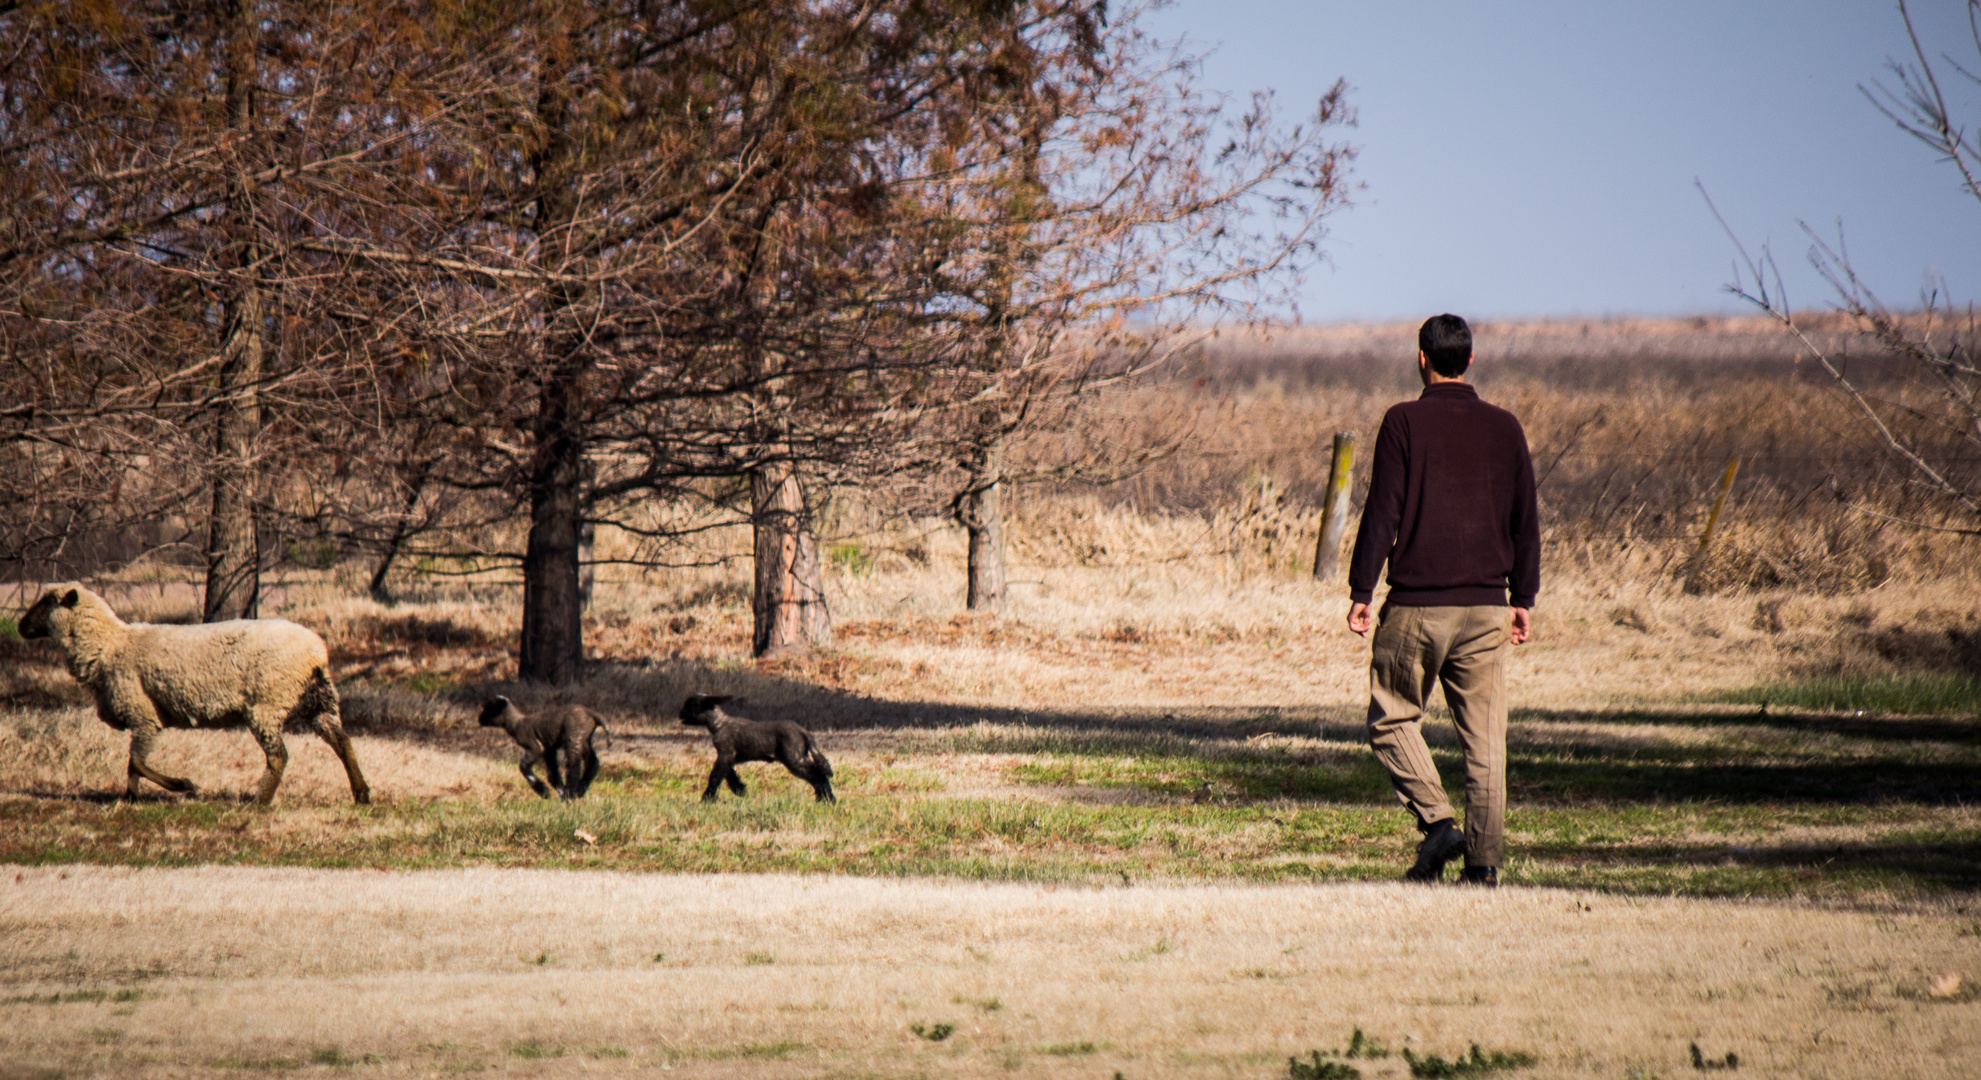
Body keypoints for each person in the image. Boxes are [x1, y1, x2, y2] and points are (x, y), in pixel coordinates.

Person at [1345, 313, 1539, 887]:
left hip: (1417, 606)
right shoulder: (1506, 428)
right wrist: (1521, 596)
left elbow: (1383, 512)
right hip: (1486, 608)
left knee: (1391, 719)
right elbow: (1526, 522)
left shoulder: (1403, 422)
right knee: (1485, 742)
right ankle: (1482, 868)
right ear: (1470, 360)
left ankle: (1438, 824)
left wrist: (1362, 589)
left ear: (1422, 359)